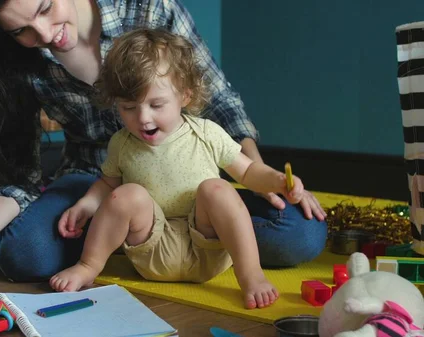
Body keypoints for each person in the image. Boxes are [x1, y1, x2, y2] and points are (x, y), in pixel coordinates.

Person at [0, 0, 328, 282]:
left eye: (46, 8)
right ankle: (103, 237)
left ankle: (116, 240)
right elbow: (19, 174)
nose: (46, 34)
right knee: (23, 253)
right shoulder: (14, 61)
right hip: (101, 183)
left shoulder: (147, 7)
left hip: (193, 197)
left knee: (301, 233)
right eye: (22, 31)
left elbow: (219, 102)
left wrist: (267, 178)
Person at [50, 28, 296, 309]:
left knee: (216, 188)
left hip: (207, 246)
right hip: (151, 250)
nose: (143, 118)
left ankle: (251, 275)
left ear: (185, 96)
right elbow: (107, 184)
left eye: (156, 104)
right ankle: (88, 266)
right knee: (126, 194)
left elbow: (249, 173)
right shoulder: (122, 143)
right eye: (129, 107)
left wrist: (276, 180)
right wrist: (85, 206)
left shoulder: (206, 133)